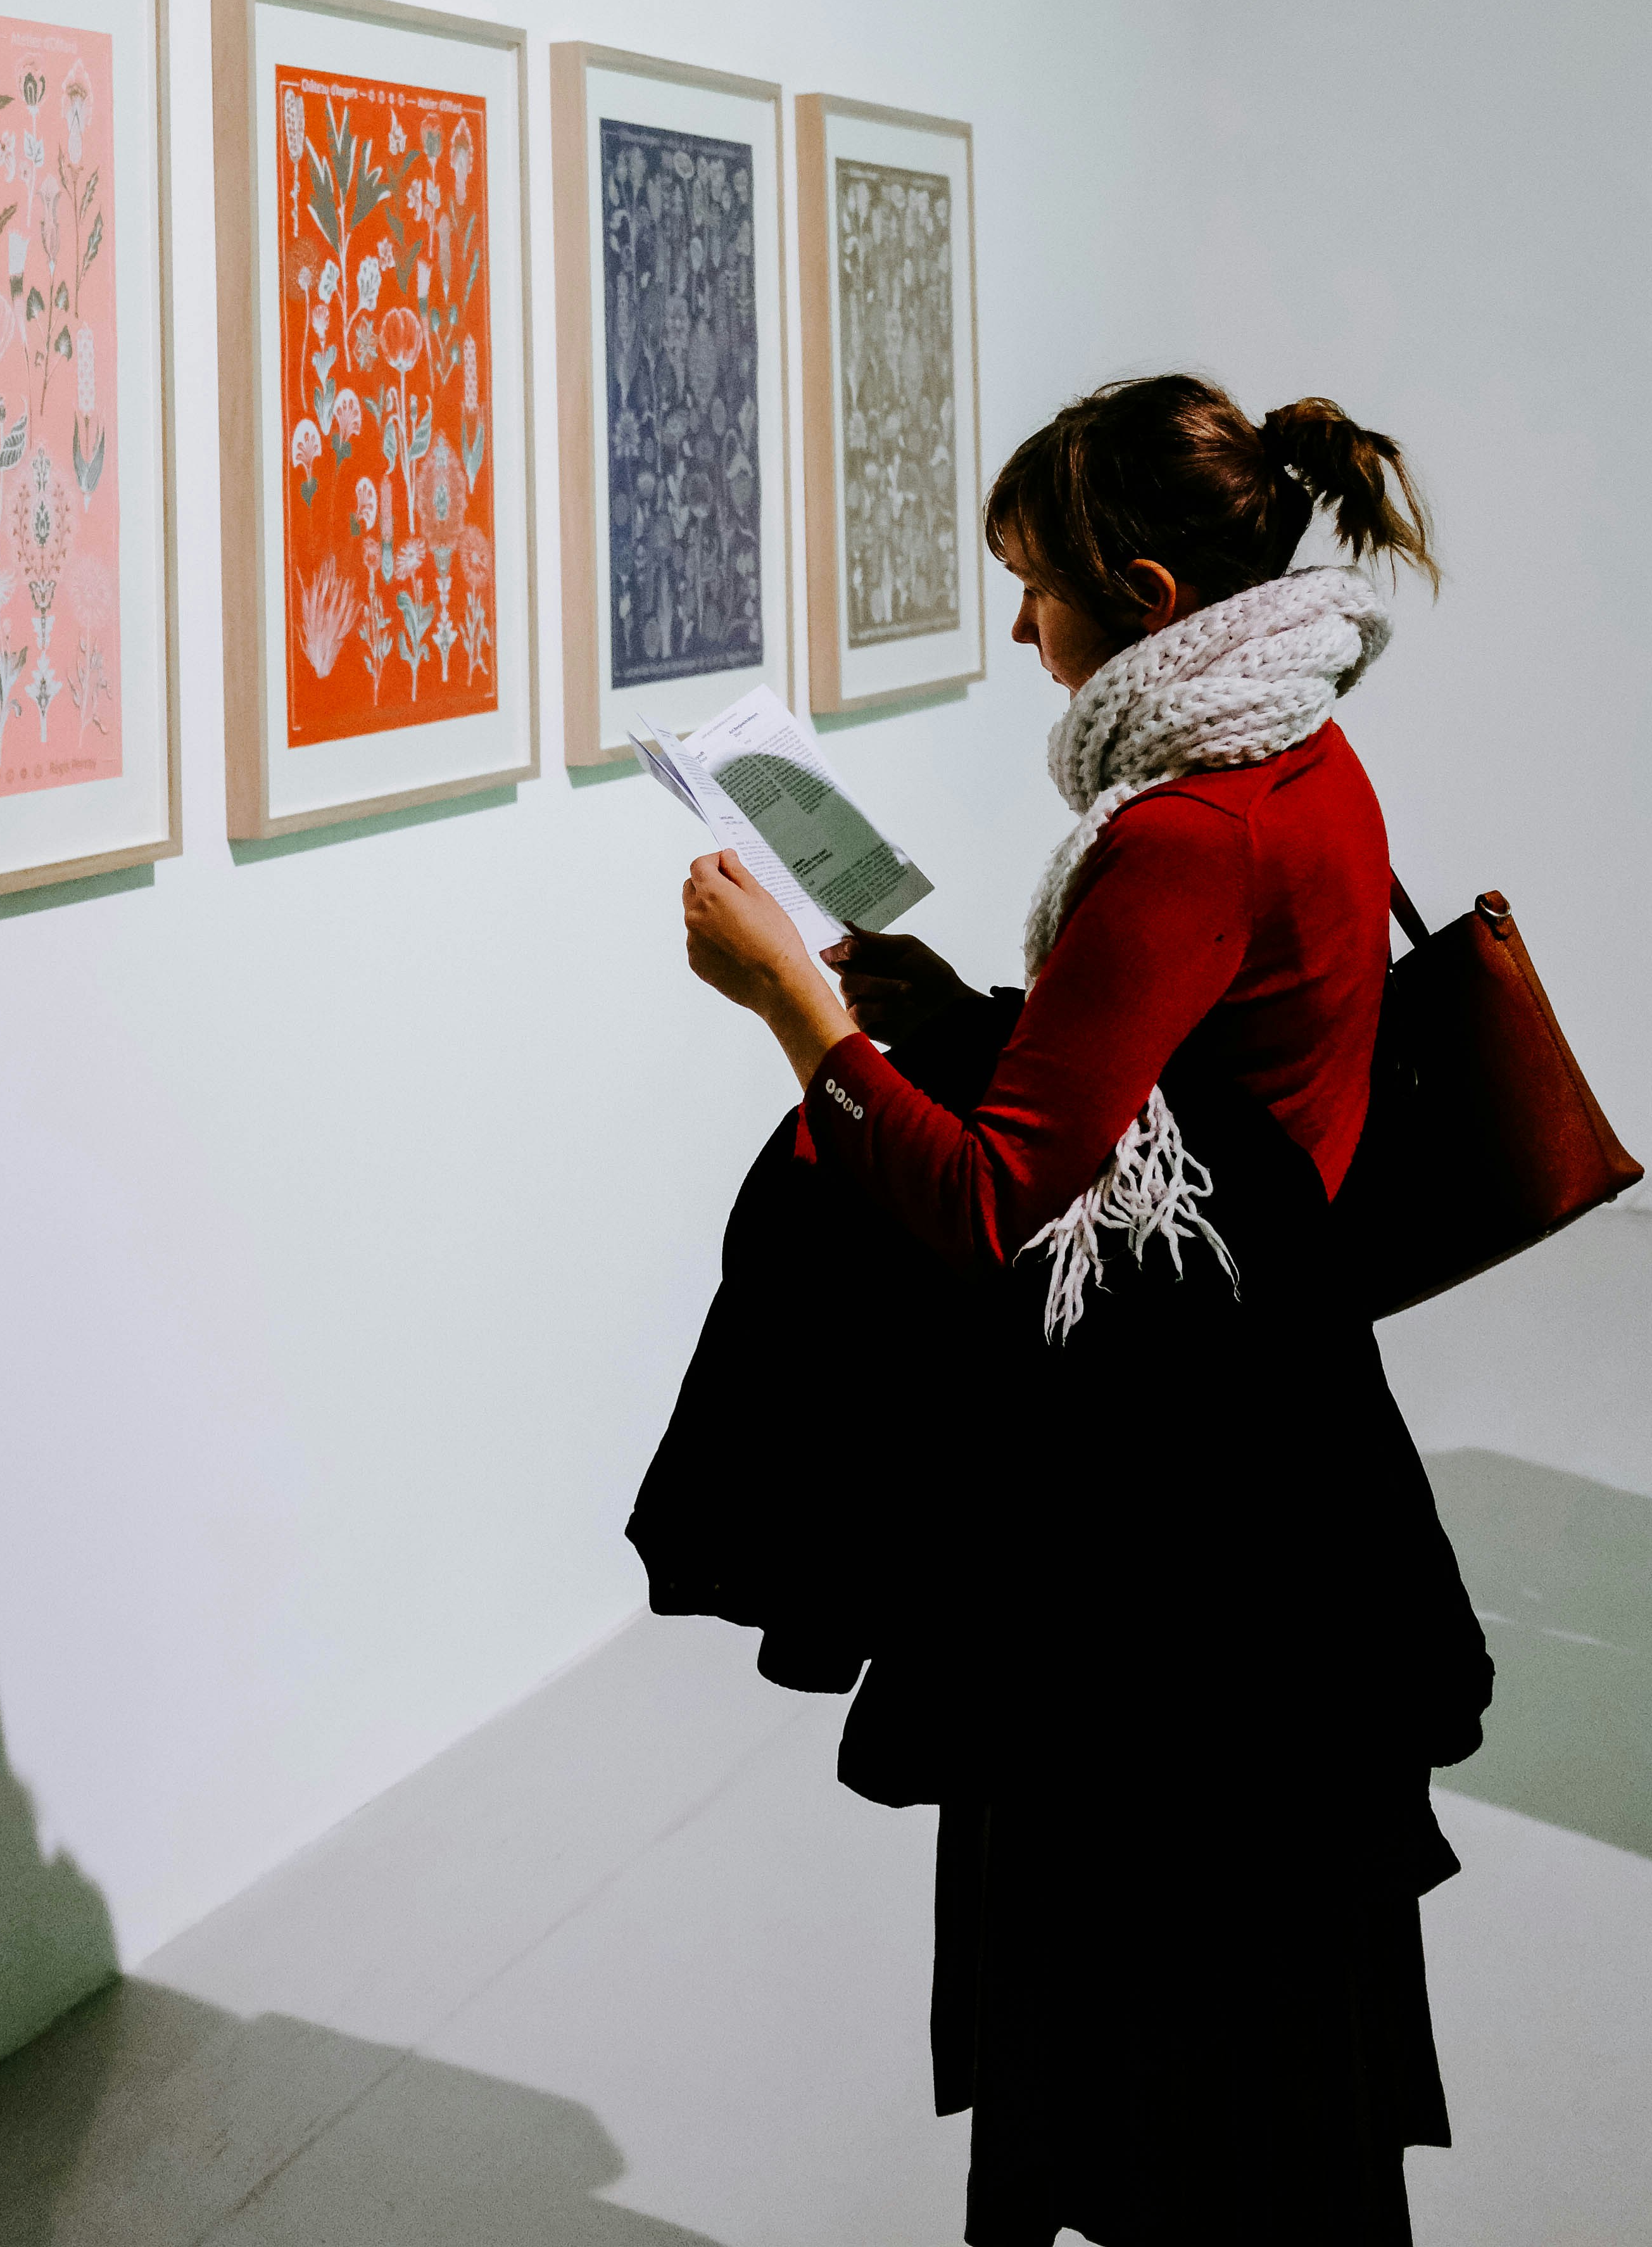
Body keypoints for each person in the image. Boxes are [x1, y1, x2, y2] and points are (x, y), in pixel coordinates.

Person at [634, 375, 1493, 2247]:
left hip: (1167, 1543)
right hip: (1281, 1456)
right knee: (1259, 2031)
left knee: (1152, 2000)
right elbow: (1154, 1098)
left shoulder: (1179, 837)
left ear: (1148, 589)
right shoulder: (1297, 760)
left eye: (1034, 587)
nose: (1020, 627)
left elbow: (992, 1209)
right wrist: (940, 1007)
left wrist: (799, 1010)